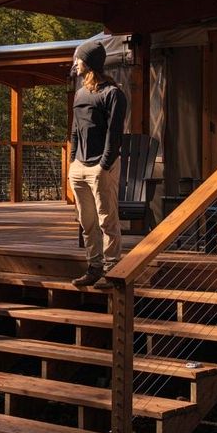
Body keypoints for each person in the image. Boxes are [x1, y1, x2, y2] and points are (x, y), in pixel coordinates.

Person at [68, 38, 127, 289]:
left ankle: (113, 271)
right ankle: (93, 267)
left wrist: (103, 166)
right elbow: (74, 131)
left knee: (107, 220)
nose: (75, 64)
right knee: (87, 221)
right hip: (79, 167)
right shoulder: (80, 94)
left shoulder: (113, 94)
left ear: (89, 63)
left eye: (78, 59)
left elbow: (114, 136)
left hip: (101, 167)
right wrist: (72, 162)